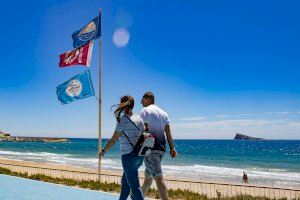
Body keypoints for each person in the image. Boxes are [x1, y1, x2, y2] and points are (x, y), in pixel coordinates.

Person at [99, 95, 145, 200]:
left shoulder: (123, 120)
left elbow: (114, 139)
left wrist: (103, 150)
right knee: (125, 183)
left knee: (135, 187)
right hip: (139, 157)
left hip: (128, 157)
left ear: (124, 105)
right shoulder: (139, 119)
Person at [140, 92, 177, 200]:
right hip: (162, 149)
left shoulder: (145, 111)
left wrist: (140, 148)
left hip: (150, 149)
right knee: (148, 178)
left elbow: (145, 130)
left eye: (142, 100)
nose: (141, 102)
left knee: (159, 178)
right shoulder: (164, 113)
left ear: (147, 99)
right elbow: (168, 133)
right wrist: (172, 148)